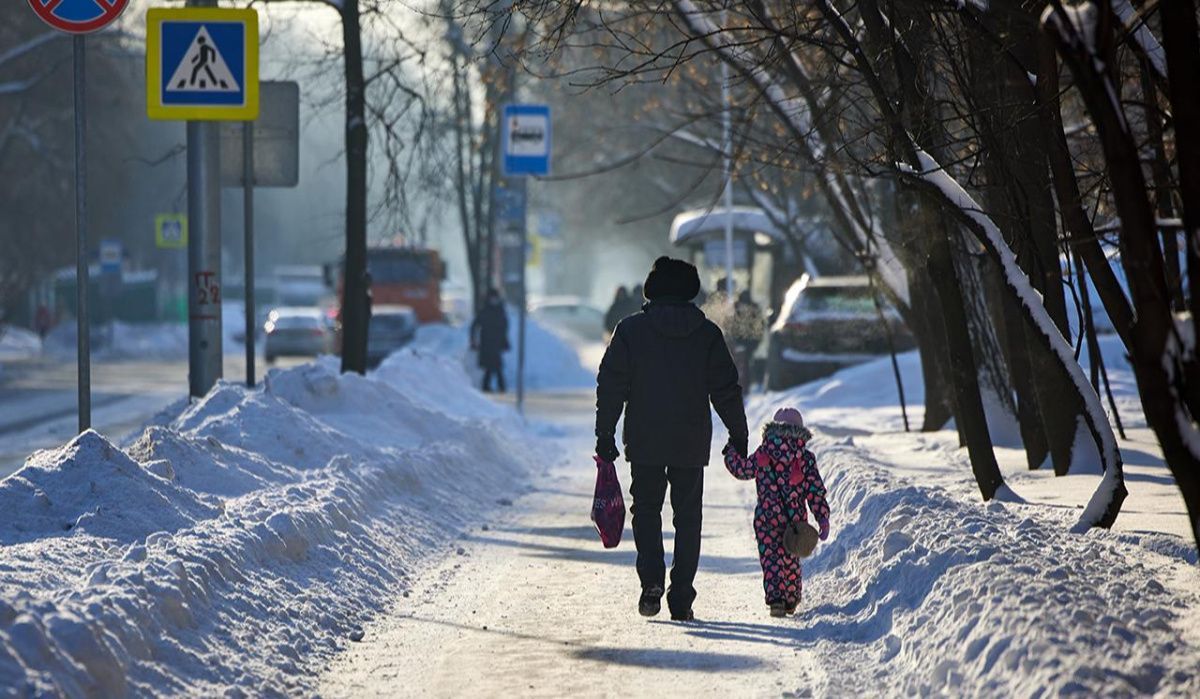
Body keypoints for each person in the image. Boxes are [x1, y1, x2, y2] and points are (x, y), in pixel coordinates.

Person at [595, 256, 748, 621]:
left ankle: (651, 580)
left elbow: (611, 385)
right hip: (690, 440)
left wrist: (605, 434)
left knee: (646, 510)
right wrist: (738, 433)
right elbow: (726, 389)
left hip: (645, 438)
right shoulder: (707, 334)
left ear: (652, 289)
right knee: (688, 517)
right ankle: (681, 596)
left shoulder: (630, 331)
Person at [722, 407, 829, 617]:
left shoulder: (764, 453)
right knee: (790, 560)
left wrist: (730, 453)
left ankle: (776, 600)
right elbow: (815, 491)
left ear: (773, 429)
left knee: (771, 559)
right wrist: (822, 517)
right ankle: (791, 598)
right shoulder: (805, 459)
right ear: (800, 431)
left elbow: (742, 470)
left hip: (766, 520)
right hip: (794, 523)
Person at [471, 288, 509, 393]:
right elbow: (475, 326)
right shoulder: (484, 311)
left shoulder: (500, 310)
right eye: (492, 298)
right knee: (491, 366)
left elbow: (504, 327)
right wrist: (473, 340)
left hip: (496, 342)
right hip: (486, 342)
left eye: (495, 298)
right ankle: (495, 386)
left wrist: (504, 340)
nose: (494, 300)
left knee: (495, 366)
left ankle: (493, 386)